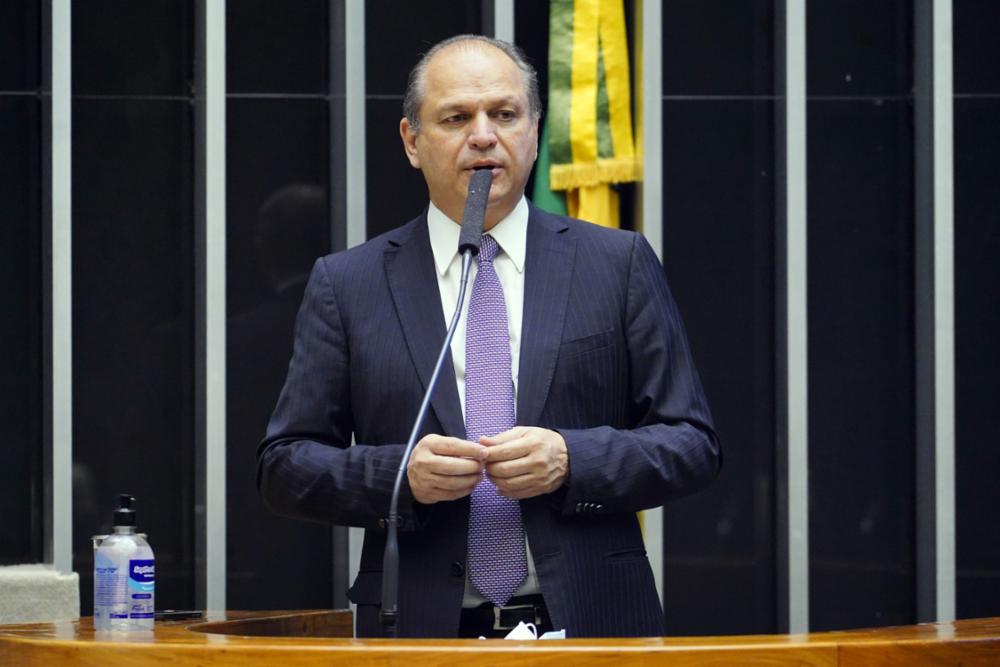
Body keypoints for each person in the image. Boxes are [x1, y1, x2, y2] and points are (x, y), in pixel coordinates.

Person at [257, 34, 720, 638]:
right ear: (412, 142)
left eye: (505, 114)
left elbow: (693, 444)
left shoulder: (617, 263)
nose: (483, 135)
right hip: (418, 632)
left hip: (594, 627)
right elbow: (285, 465)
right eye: (456, 117)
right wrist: (400, 476)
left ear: (534, 131)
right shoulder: (349, 283)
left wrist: (570, 460)